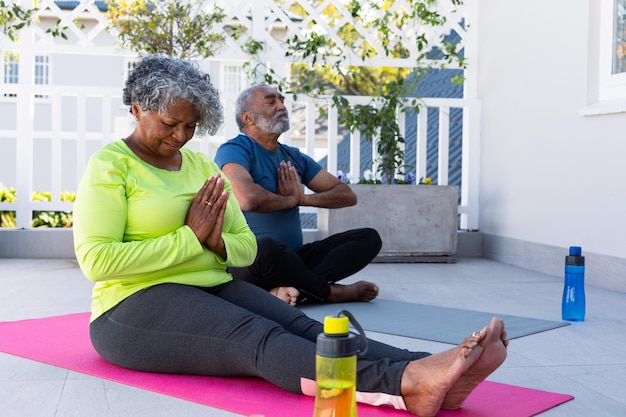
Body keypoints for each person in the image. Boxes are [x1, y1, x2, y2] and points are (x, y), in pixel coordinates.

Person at [73, 54, 508, 417]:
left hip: (212, 283)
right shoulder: (111, 165)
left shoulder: (200, 166)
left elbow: (243, 245)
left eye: (190, 126)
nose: (181, 136)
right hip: (130, 308)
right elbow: (97, 261)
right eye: (171, 123)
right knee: (256, 338)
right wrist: (191, 238)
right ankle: (406, 383)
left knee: (302, 326)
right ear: (136, 108)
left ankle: (428, 364)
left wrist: (217, 242)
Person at [214, 83, 382, 305]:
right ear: (248, 118)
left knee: (368, 238)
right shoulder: (235, 149)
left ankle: (294, 290)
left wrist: (302, 199)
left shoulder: (293, 157)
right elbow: (247, 198)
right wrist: (288, 201)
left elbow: (346, 195)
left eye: (282, 100)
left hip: (294, 259)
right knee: (265, 246)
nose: (281, 106)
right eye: (271, 101)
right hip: (251, 261)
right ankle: (331, 293)